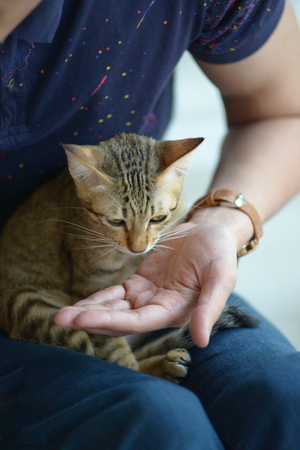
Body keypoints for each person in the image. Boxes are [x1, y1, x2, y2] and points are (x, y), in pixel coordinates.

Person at [1, 0, 300, 448]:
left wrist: (221, 221)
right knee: (160, 421)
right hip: (36, 291)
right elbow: (90, 293)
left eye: (158, 218)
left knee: (285, 393)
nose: (140, 242)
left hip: (143, 280)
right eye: (125, 224)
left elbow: (283, 112)